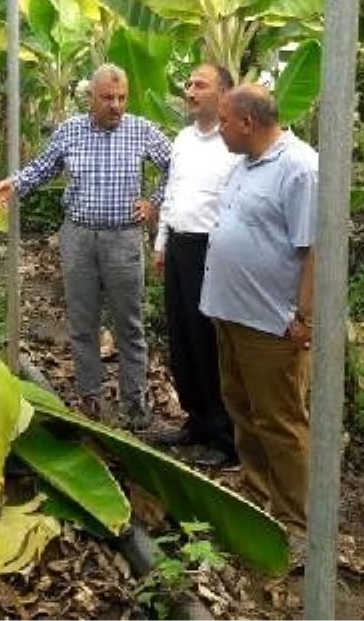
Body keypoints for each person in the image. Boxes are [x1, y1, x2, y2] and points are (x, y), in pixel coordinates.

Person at [0, 64, 171, 429]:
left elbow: (175, 167)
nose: (115, 105)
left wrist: (154, 201)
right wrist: (14, 184)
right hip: (79, 236)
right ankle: (90, 398)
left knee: (129, 324)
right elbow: (42, 169)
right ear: (91, 98)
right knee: (82, 320)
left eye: (121, 98)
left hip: (123, 237)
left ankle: (134, 404)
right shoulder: (70, 131)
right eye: (107, 98)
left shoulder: (142, 130)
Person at [200, 83, 318, 542]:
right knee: (243, 411)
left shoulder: (299, 168)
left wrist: (305, 317)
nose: (220, 131)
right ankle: (255, 495)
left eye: (225, 122)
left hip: (270, 324)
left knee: (280, 421)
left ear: (248, 123)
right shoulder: (245, 164)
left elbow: (315, 250)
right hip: (231, 313)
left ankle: (295, 522)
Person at [150, 64, 241, 468]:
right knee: (182, 334)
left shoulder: (233, 143)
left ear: (223, 94)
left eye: (199, 85)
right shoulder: (184, 139)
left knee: (209, 340)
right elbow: (173, 192)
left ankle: (224, 438)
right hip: (179, 246)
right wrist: (161, 243)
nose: (189, 90)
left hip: (214, 250)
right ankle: (196, 421)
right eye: (188, 84)